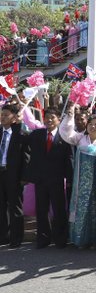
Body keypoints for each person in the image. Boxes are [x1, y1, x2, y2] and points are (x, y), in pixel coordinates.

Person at [59, 107, 96, 249]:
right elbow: (65, 133)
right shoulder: (80, 138)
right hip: (80, 181)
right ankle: (80, 239)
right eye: (90, 124)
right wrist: (69, 116)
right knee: (81, 207)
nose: (93, 127)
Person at [25, 109, 72, 248]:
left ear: (59, 119)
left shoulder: (64, 136)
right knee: (41, 209)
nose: (49, 120)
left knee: (59, 210)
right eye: (47, 117)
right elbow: (25, 146)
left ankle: (60, 239)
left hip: (57, 179)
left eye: (52, 117)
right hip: (40, 179)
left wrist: (69, 178)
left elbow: (69, 158)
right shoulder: (36, 134)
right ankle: (43, 239)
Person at [0, 103, 29, 248]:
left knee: (14, 206)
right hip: (1, 173)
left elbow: (26, 158)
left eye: (6, 115)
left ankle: (16, 237)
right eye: (2, 114)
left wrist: (24, 177)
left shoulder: (21, 134)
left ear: (13, 118)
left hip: (14, 175)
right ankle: (3, 236)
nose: (2, 117)